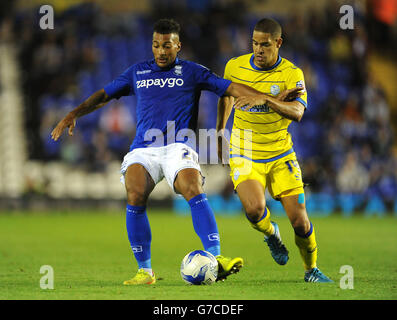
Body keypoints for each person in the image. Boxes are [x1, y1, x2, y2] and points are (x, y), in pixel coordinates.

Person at [51, 19, 299, 285]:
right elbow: (103, 95)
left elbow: (229, 88)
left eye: (166, 46)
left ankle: (216, 258)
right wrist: (73, 113)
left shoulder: (192, 71)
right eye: (156, 45)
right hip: (144, 149)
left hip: (178, 146)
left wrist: (267, 97)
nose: (160, 51)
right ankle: (145, 271)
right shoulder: (138, 72)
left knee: (191, 186)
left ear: (178, 46)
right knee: (134, 193)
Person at [216, 18, 333, 283]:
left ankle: (311, 270)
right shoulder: (234, 66)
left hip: (281, 153)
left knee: (301, 222)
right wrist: (221, 133)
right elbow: (225, 96)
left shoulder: (292, 74)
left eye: (265, 44)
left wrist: (266, 99)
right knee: (255, 209)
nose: (258, 49)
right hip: (244, 148)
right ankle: (271, 234)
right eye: (255, 43)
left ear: (278, 43)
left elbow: (298, 112)